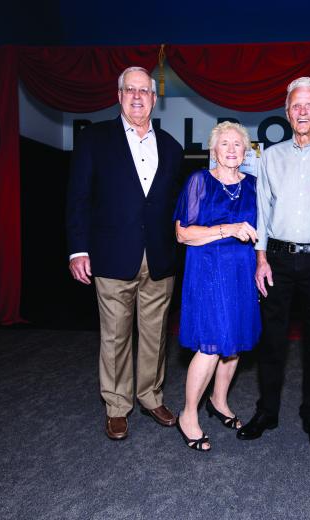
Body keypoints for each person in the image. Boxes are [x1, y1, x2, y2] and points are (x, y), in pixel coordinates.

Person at [236, 77, 310, 450]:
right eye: (295, 106)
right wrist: (261, 260)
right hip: (278, 262)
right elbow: (263, 213)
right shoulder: (270, 157)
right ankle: (267, 412)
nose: (302, 112)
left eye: (309, 105)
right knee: (272, 343)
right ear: (287, 113)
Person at [66, 66, 184, 441]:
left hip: (160, 256)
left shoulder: (172, 146)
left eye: (144, 91)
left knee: (154, 334)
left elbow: (172, 206)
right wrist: (77, 249)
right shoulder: (94, 139)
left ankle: (150, 396)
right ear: (118, 96)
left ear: (153, 97)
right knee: (115, 335)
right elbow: (79, 198)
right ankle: (117, 406)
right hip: (111, 253)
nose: (137, 96)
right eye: (129, 90)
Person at [172, 121, 261, 451]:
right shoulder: (199, 182)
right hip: (209, 272)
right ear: (214, 150)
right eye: (225, 143)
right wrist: (227, 228)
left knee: (234, 343)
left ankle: (219, 401)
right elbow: (183, 234)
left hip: (243, 273)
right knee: (210, 345)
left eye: (238, 144)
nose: (232, 149)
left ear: (246, 150)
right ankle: (188, 415)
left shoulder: (253, 185)